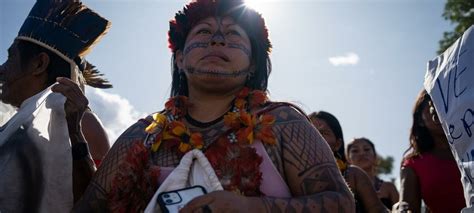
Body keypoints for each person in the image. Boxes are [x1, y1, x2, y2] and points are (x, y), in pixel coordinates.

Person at [74, 0, 355, 212]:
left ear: (253, 64)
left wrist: (251, 208)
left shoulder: (282, 122)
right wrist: (74, 135)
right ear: (181, 59)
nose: (217, 39)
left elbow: (341, 203)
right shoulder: (142, 134)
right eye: (204, 32)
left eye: (233, 35)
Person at [0, 0, 110, 211]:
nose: (1, 69)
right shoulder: (17, 123)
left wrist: (76, 136)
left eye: (10, 57)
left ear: (39, 64)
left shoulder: (82, 122)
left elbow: (99, 204)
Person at [397, 89, 466, 213]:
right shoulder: (413, 163)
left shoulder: (469, 148)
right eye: (433, 107)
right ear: (420, 120)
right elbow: (408, 208)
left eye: (446, 106)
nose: (441, 112)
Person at [309, 111, 388, 213]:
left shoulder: (353, 175)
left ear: (338, 144)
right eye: (310, 132)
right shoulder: (287, 175)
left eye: (324, 133)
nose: (315, 137)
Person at [346, 137, 399, 209]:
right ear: (348, 159)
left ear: (375, 156)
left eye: (367, 149)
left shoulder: (389, 187)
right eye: (355, 151)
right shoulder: (344, 187)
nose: (362, 153)